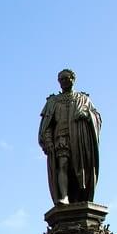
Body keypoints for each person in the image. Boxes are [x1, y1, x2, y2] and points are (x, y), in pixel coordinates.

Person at [37, 68, 102, 206]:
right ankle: (64, 196)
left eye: (67, 78)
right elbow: (46, 125)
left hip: (79, 140)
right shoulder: (53, 101)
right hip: (61, 137)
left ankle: (80, 196)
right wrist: (48, 140)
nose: (64, 81)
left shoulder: (83, 99)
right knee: (63, 165)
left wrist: (86, 115)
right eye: (61, 79)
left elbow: (97, 117)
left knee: (78, 168)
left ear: (73, 79)